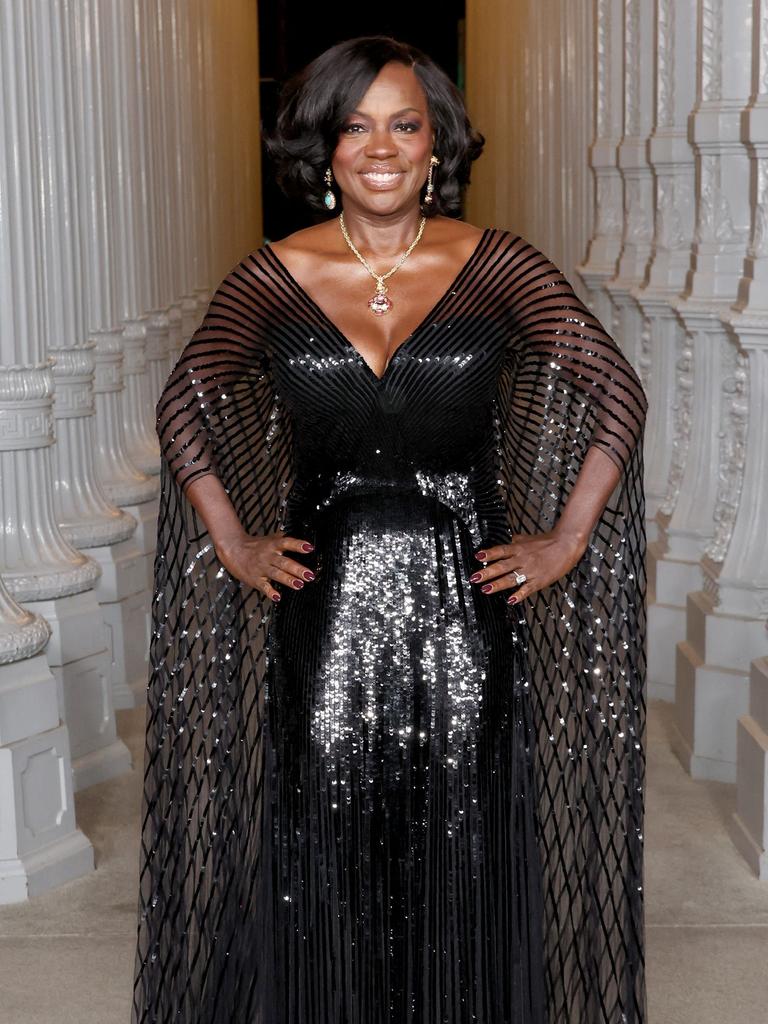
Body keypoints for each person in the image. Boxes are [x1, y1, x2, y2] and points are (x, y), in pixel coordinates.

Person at [132, 35, 648, 1024]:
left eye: (404, 124)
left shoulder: (497, 266)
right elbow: (186, 402)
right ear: (322, 148)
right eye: (356, 125)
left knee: (458, 836)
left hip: (467, 609)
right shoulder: (274, 276)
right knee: (325, 839)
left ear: (435, 145)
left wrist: (566, 539)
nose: (381, 146)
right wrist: (235, 541)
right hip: (318, 615)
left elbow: (614, 390)